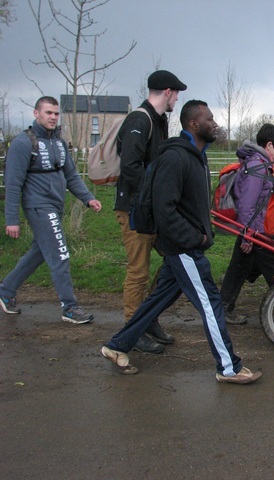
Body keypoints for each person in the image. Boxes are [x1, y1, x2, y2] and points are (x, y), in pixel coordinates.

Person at [101, 100, 261, 384]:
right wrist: (193, 238)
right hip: (183, 248)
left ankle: (116, 346)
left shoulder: (197, 156)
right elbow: (165, 209)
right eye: (209, 119)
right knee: (211, 303)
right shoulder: (176, 158)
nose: (214, 123)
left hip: (187, 246)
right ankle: (228, 367)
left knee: (157, 300)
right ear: (193, 124)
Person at [0, 96, 102, 323]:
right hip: (38, 206)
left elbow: (72, 176)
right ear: (36, 114)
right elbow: (13, 183)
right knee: (60, 255)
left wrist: (88, 198)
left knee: (39, 252)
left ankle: (5, 291)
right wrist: (12, 219)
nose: (53, 117)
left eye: (56, 113)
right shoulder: (22, 143)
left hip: (55, 205)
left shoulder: (59, 143)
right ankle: (70, 307)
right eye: (48, 113)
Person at [115, 70, 187, 354]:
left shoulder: (159, 121)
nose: (177, 99)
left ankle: (149, 318)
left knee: (173, 260)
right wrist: (161, 187)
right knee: (138, 273)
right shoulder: (139, 120)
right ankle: (132, 331)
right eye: (176, 93)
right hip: (134, 210)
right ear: (167, 92)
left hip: (151, 209)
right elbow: (130, 167)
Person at [220, 123, 274, 324]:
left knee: (238, 268)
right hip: (255, 231)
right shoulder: (256, 166)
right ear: (269, 145)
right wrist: (248, 235)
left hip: (254, 229)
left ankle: (223, 308)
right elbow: (248, 204)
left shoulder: (260, 163)